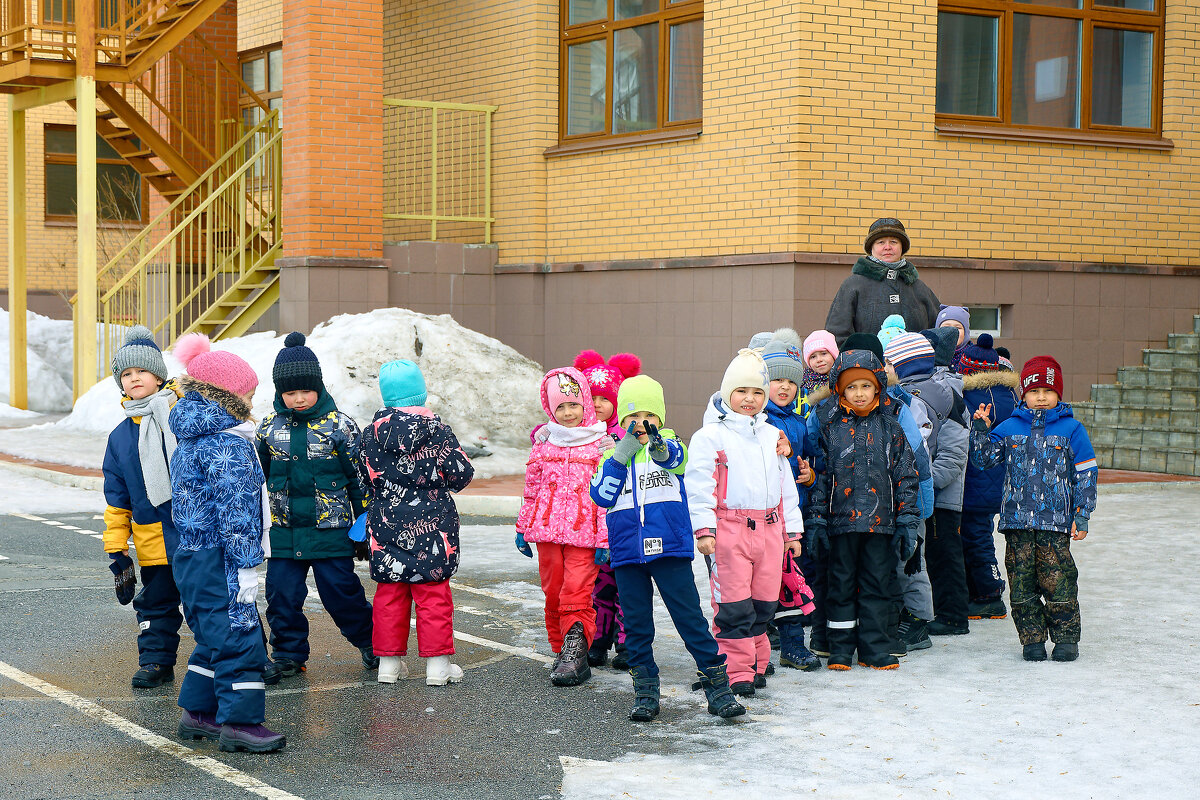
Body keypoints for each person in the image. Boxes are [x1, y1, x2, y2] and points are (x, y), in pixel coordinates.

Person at [589, 375, 745, 720]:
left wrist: (657, 445)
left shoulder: (673, 447)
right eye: (631, 416)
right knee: (638, 625)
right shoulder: (609, 458)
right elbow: (601, 495)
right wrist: (620, 455)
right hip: (628, 552)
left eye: (648, 415)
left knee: (689, 619)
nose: (639, 423)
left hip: (670, 549)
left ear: (660, 418)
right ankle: (645, 692)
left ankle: (718, 688)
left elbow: (675, 460)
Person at [168, 333, 283, 753]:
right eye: (249, 394)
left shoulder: (194, 437)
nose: (254, 401)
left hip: (195, 554)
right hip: (223, 557)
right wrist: (247, 564)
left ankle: (198, 713)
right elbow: (236, 511)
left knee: (213, 632)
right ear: (227, 397)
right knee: (239, 634)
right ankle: (241, 722)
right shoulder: (227, 444)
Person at [255, 333, 376, 682]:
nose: (298, 398)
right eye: (290, 393)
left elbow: (358, 477)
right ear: (280, 393)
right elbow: (255, 481)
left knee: (341, 592)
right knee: (281, 596)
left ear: (319, 387)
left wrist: (364, 519)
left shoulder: (339, 425)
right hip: (283, 531)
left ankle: (370, 643)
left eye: (305, 391)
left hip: (331, 531)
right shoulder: (268, 429)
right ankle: (289, 653)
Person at [686, 348, 805, 696]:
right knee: (734, 605)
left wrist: (791, 531)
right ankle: (737, 671)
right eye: (742, 391)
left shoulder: (771, 436)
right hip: (729, 530)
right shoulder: (710, 436)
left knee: (764, 603)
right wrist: (704, 529)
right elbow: (698, 485)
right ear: (727, 393)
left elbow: (787, 487)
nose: (750, 400)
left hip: (769, 530)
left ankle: (757, 662)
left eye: (757, 393)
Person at [970, 356, 1097, 663]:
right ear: (1023, 393)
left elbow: (1086, 473)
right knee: (1021, 584)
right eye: (1034, 390)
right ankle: (1032, 639)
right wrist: (980, 430)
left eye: (1048, 391)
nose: (1041, 397)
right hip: (1017, 524)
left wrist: (1082, 513)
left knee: (1060, 581)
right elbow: (984, 460)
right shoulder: (1010, 427)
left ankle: (1066, 640)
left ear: (1059, 394)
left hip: (1055, 524)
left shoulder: (1072, 429)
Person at [358, 359, 474, 685]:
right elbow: (461, 473)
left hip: (386, 524)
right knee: (433, 595)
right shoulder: (437, 431)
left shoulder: (370, 434)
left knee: (389, 596)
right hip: (432, 525)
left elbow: (362, 476)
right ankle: (438, 666)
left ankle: (388, 665)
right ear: (420, 394)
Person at [805, 350, 920, 670]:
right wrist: (815, 519)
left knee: (876, 585)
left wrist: (908, 520)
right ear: (840, 389)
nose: (859, 393)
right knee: (839, 586)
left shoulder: (891, 427)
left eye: (865, 386)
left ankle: (873, 647)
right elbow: (820, 476)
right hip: (840, 525)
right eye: (851, 386)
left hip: (880, 526)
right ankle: (840, 648)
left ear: (878, 388)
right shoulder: (830, 427)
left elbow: (905, 475)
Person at [101, 325, 185, 689]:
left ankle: (247, 657)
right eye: (126, 374)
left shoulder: (185, 418)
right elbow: (116, 499)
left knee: (217, 601)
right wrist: (116, 550)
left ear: (159, 376)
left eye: (142, 371)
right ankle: (155, 661)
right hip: (153, 538)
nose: (134, 378)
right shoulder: (120, 436)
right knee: (155, 605)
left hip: (196, 533)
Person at [516, 366, 609, 686]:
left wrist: (605, 540)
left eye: (574, 405)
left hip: (585, 534)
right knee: (553, 592)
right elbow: (532, 489)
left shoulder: (601, 443)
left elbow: (608, 497)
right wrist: (522, 527)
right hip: (546, 531)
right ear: (550, 409)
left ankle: (576, 651)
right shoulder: (545, 442)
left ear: (585, 403)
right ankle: (561, 650)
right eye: (560, 407)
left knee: (576, 592)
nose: (568, 413)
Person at [884, 332, 971, 638]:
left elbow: (952, 452)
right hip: (920, 491)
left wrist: (922, 485)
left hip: (937, 494)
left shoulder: (925, 399)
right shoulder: (913, 394)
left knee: (932, 557)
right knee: (920, 557)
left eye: (888, 363)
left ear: (902, 366)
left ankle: (946, 617)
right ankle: (921, 615)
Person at [573, 349, 641, 670]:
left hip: (622, 524)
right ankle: (597, 640)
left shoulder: (625, 437)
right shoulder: (580, 436)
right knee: (598, 588)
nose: (598, 405)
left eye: (605, 398)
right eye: (592, 398)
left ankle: (628, 643)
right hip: (590, 527)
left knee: (627, 588)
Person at [760, 330, 822, 671]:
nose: (784, 387)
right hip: (758, 516)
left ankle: (793, 644)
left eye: (791, 381)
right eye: (776, 379)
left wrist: (810, 476)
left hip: (791, 514)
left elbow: (815, 461)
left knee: (791, 579)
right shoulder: (756, 421)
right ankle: (757, 646)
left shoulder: (799, 422)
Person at [958, 335, 1020, 620]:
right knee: (981, 534)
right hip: (1000, 480)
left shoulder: (969, 396)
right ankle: (985, 590)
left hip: (976, 479)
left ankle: (989, 594)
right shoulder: (1010, 395)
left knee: (976, 536)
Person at [824, 218, 941, 346]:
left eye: (894, 242)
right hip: (866, 365)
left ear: (902, 247)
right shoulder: (853, 285)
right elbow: (837, 335)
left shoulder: (919, 288)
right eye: (880, 242)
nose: (888, 247)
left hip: (915, 365)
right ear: (871, 248)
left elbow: (939, 332)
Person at [799, 329, 838, 417]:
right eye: (813, 357)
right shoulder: (803, 382)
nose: (819, 360)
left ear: (833, 354)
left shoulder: (841, 379)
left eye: (824, 353)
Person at [935, 305, 972, 373]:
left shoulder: (973, 356)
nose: (952, 331)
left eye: (957, 328)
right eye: (946, 327)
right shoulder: (930, 354)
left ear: (966, 332)